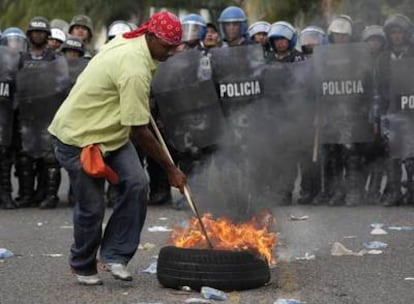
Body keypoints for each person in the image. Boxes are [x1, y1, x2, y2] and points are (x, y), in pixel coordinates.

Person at [48, 11, 186, 285]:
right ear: (151, 36)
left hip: (110, 134)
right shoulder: (134, 67)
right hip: (79, 139)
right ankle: (83, 265)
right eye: (167, 46)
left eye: (175, 46)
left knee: (136, 184)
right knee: (93, 206)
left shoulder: (133, 40)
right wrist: (171, 169)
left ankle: (114, 255)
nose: (171, 52)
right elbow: (139, 132)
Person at [376, 14, 414, 206]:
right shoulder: (383, 58)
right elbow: (378, 85)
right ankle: (394, 191)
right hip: (391, 110)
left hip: (412, 110)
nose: (396, 36)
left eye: (399, 32)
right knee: (392, 153)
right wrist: (379, 111)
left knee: (411, 155)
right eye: (393, 33)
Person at [0, 28, 27, 209]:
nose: (15, 45)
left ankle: (9, 193)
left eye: (18, 41)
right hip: (3, 118)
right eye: (11, 41)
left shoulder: (25, 64)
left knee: (11, 157)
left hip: (18, 118)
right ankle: (5, 194)